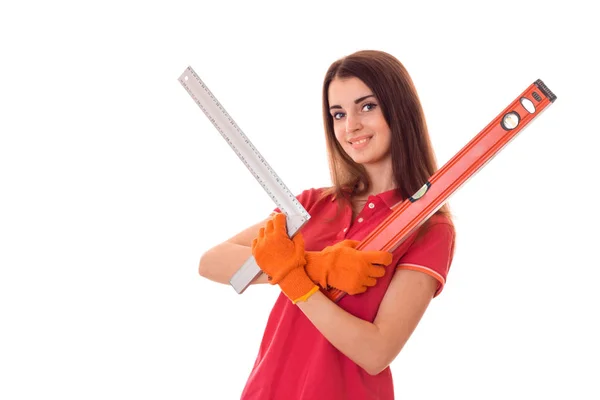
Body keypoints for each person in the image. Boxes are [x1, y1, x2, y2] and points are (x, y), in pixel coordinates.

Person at [198, 49, 456, 400]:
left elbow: (376, 352)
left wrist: (294, 278)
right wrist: (319, 265)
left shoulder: (428, 228)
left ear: (400, 109)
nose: (351, 126)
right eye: (338, 113)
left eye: (367, 106)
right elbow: (212, 261)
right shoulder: (312, 205)